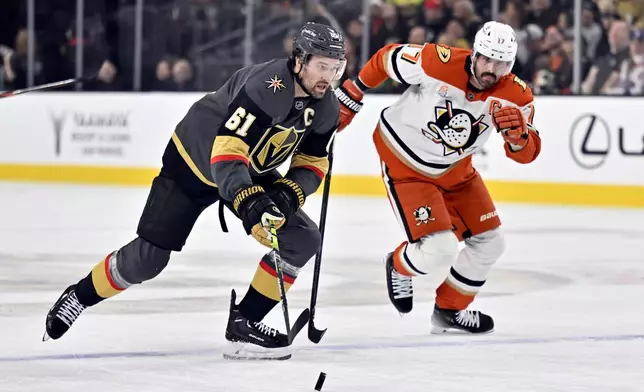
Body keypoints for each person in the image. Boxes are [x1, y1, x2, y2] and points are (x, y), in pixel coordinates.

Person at [43, 22, 345, 360]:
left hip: (244, 168)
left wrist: (287, 195)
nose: (328, 76)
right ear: (299, 60)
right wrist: (250, 203)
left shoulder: (326, 105)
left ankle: (245, 322)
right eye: (322, 66)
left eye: (335, 68)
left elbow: (314, 162)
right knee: (148, 260)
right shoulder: (268, 86)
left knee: (302, 238)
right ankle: (79, 296)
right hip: (194, 160)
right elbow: (228, 150)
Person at [334, 21, 541, 334]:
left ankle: (449, 310)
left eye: (501, 63)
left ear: (510, 64)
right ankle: (399, 265)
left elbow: (527, 154)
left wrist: (519, 138)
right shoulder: (436, 62)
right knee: (440, 249)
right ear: (475, 53)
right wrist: (354, 91)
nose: (491, 68)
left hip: (457, 171)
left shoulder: (517, 96)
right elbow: (386, 58)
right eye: (486, 58)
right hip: (406, 164)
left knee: (491, 243)